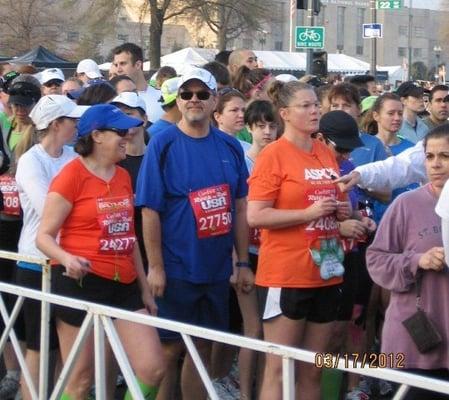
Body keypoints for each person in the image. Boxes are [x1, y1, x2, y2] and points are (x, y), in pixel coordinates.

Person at [135, 67, 252, 400]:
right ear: (178, 99)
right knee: (168, 352)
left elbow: (240, 207)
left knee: (201, 348)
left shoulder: (230, 147)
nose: (194, 100)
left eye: (202, 94)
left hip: (216, 270)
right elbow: (150, 210)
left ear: (215, 100)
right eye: (187, 94)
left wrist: (243, 262)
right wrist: (155, 266)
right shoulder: (162, 144)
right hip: (175, 269)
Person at [36, 104, 166, 400]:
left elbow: (128, 238)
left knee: (152, 368)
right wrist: (67, 258)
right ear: (96, 136)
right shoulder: (71, 176)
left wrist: (144, 289)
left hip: (125, 286)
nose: (128, 135)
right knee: (80, 380)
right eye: (119, 131)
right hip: (81, 284)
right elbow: (43, 236)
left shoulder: (122, 176)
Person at [247, 80, 350, 400]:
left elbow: (328, 200)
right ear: (285, 114)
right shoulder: (273, 155)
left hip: (326, 271)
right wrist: (307, 214)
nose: (314, 110)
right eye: (305, 106)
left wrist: (341, 212)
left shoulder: (323, 151)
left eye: (316, 104)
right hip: (285, 273)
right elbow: (256, 216)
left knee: (313, 368)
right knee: (279, 367)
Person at [366, 125, 449, 400]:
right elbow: (376, 259)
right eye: (430, 156)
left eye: (445, 156)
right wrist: (417, 260)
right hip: (419, 340)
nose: (435, 164)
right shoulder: (406, 204)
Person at [15, 95, 88, 400]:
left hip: (67, 259)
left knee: (63, 347)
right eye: (72, 120)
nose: (77, 125)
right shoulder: (31, 161)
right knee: (38, 345)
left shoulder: (73, 157)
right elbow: (49, 207)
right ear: (57, 125)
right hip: (36, 261)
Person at [240, 100, 278, 400]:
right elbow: (237, 213)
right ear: (249, 127)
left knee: (271, 333)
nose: (267, 131)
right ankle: (243, 392)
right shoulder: (243, 161)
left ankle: (268, 389)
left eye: (271, 125)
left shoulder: (281, 160)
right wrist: (237, 260)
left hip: (275, 253)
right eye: (260, 126)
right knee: (253, 329)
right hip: (248, 253)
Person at [110, 91, 149, 268]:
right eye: (118, 114)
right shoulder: (111, 161)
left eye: (129, 112)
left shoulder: (159, 158)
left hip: (153, 244)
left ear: (144, 119)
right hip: (120, 246)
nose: (123, 119)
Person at [112, 42, 164, 123]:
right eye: (116, 65)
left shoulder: (161, 97)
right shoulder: (114, 99)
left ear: (138, 65)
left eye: (123, 64)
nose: (118, 70)